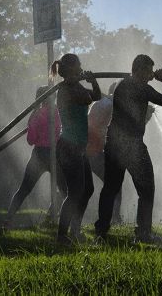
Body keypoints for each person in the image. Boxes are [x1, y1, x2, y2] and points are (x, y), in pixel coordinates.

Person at [95, 54, 162, 243]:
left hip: (113, 142)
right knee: (146, 188)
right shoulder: (141, 87)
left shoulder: (123, 85)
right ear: (137, 70)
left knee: (110, 189)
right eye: (147, 70)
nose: (150, 74)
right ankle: (143, 233)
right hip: (132, 145)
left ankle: (101, 232)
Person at [50, 53, 101, 244]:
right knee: (75, 192)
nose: (81, 68)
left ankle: (75, 228)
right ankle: (61, 236)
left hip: (78, 147)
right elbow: (87, 99)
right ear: (71, 68)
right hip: (68, 147)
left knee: (87, 189)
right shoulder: (65, 90)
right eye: (78, 65)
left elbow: (95, 95)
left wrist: (93, 81)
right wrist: (77, 81)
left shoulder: (75, 85)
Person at [3, 86, 65, 229]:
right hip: (53, 155)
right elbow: (59, 133)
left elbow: (31, 140)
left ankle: (8, 220)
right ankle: (51, 217)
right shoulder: (57, 112)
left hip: (39, 154)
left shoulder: (36, 115)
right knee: (64, 190)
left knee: (24, 189)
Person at [86, 82, 123, 224]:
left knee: (78, 187)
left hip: (89, 149)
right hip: (94, 151)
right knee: (114, 185)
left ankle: (54, 212)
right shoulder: (110, 105)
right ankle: (114, 218)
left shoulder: (102, 102)